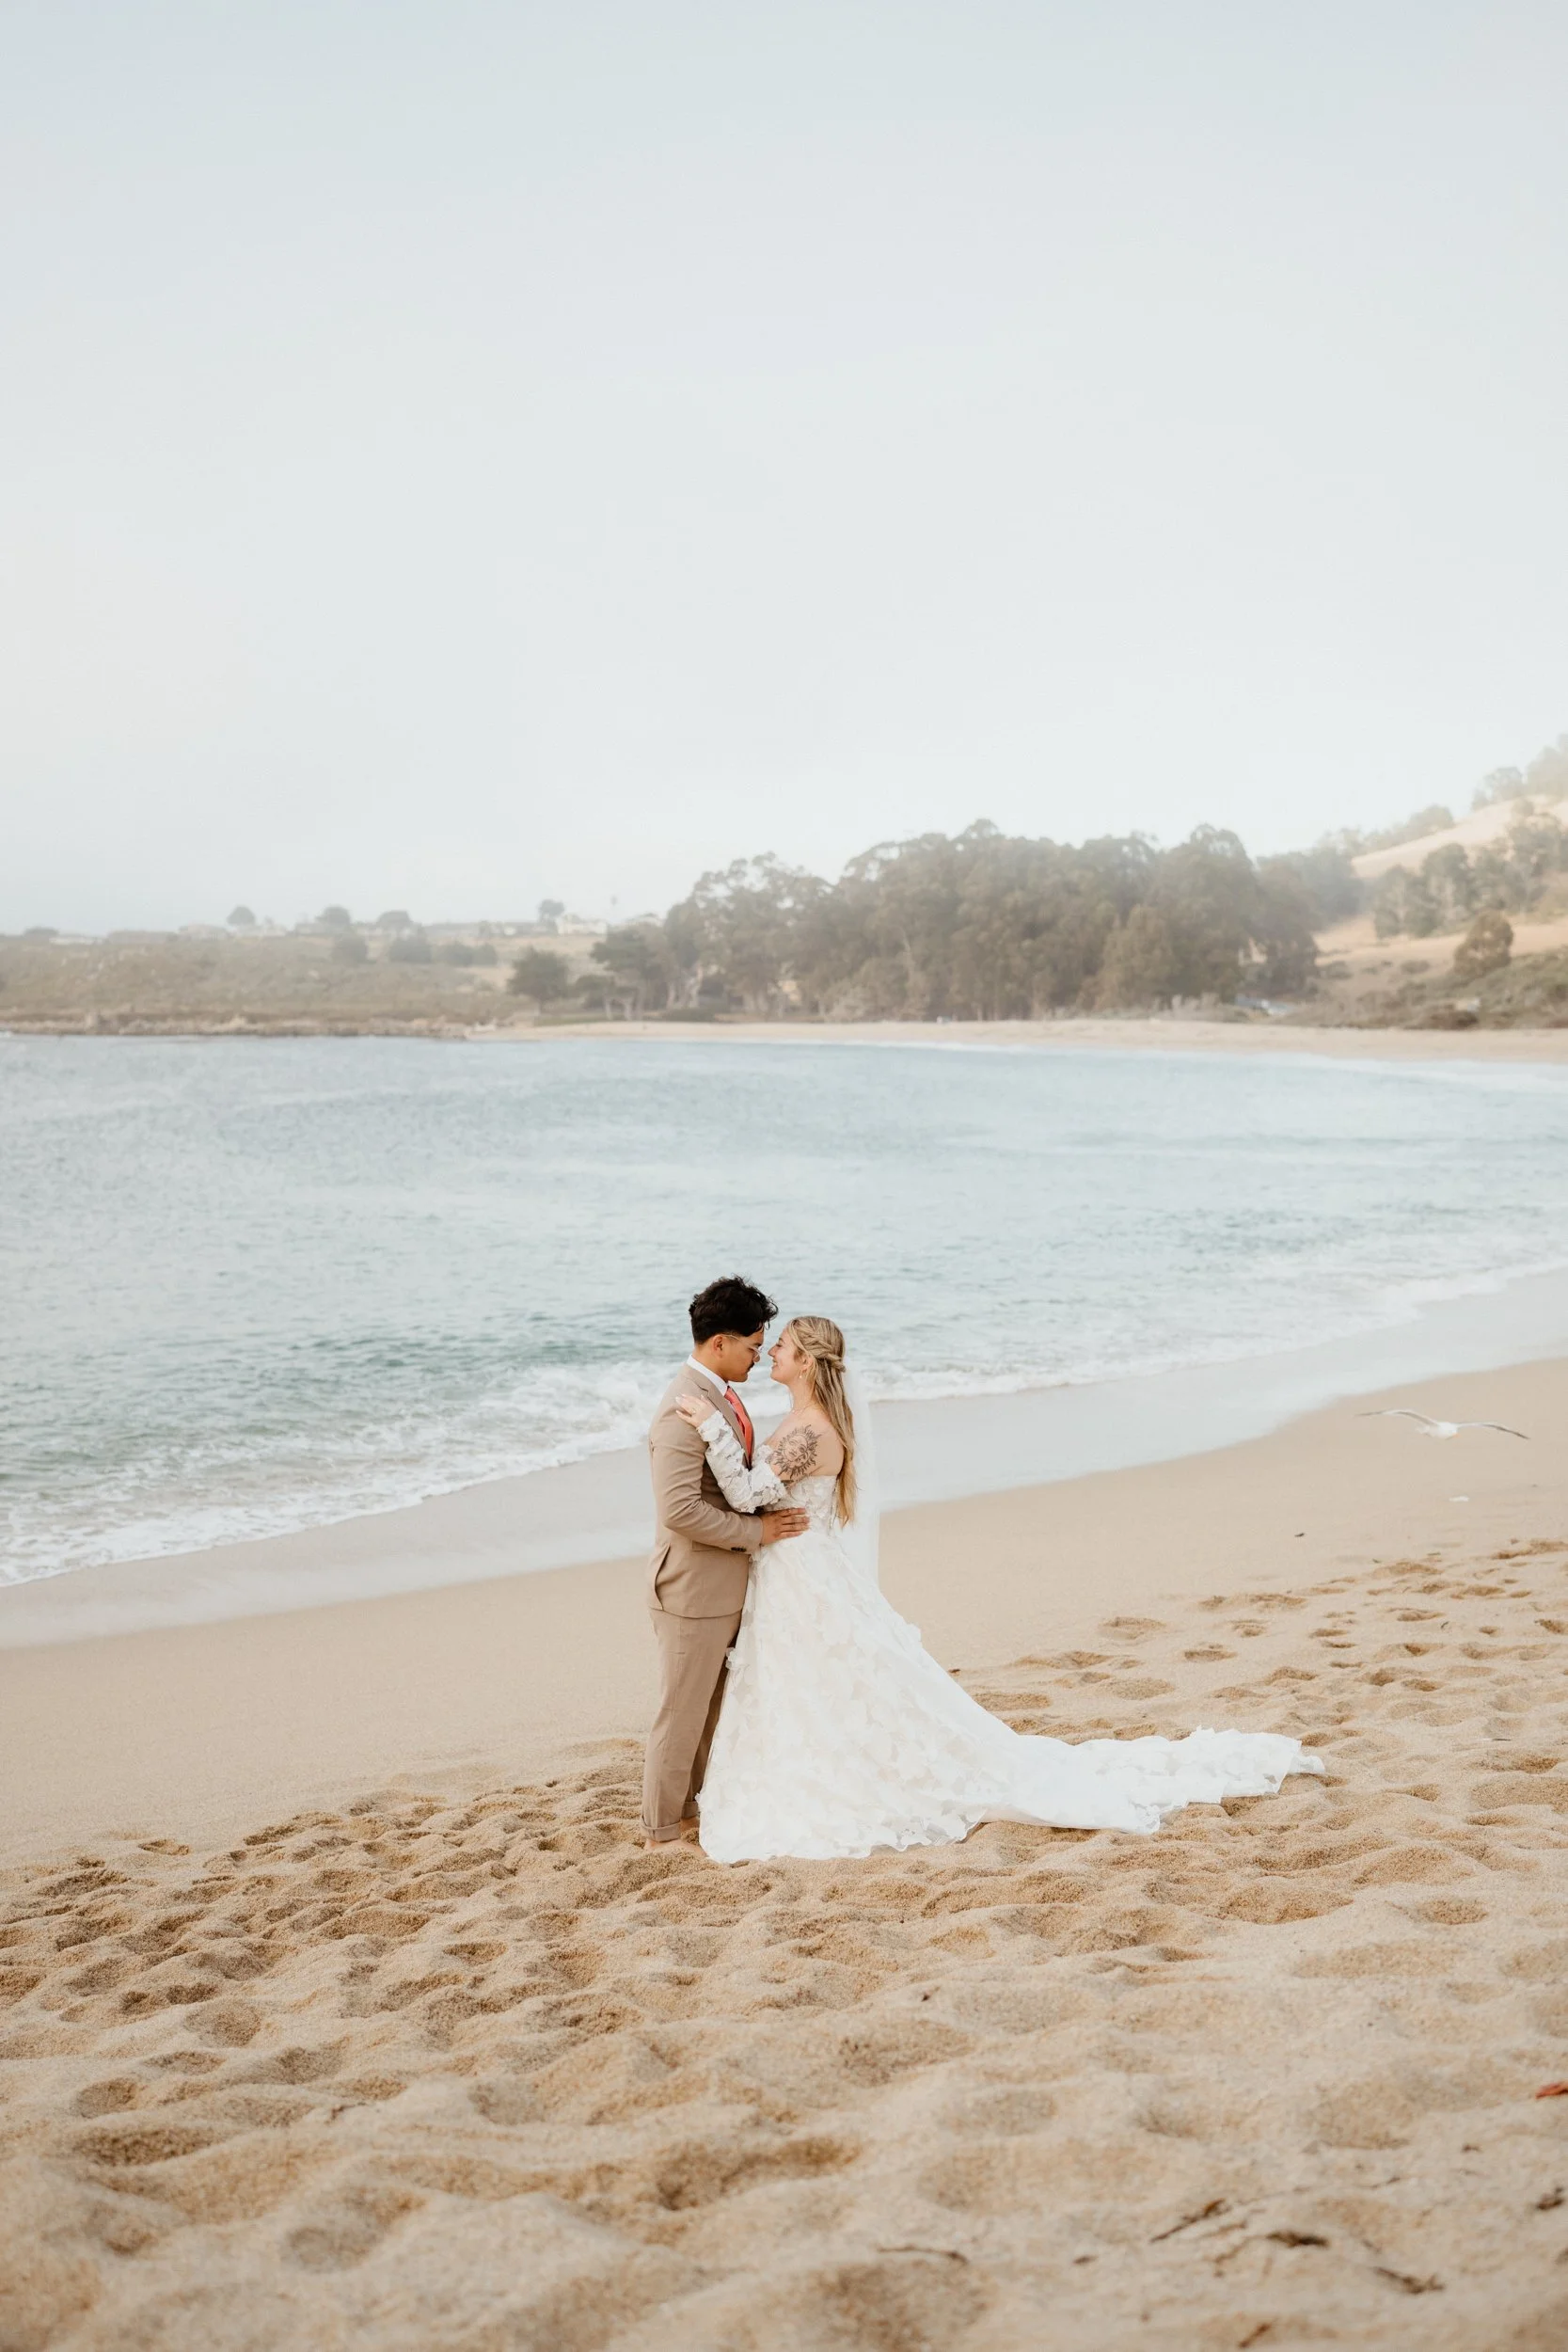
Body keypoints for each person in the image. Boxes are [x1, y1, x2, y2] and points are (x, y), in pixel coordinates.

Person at [678, 1313, 1324, 1863]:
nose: (771, 1356)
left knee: (818, 1677)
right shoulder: (807, 1423)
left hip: (803, 1572)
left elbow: (747, 1493)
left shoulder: (810, 1430)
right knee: (809, 1680)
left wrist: (705, 1426)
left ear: (808, 1363)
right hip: (798, 1565)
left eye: (783, 1349)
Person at [641, 1277, 808, 1851]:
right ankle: (661, 1830)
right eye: (752, 1347)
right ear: (719, 1343)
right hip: (691, 1589)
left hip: (722, 1586)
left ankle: (691, 1810)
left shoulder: (715, 1396)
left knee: (710, 1711)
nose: (758, 1359)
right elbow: (681, 1510)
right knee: (680, 1714)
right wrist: (757, 1533)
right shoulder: (680, 1409)